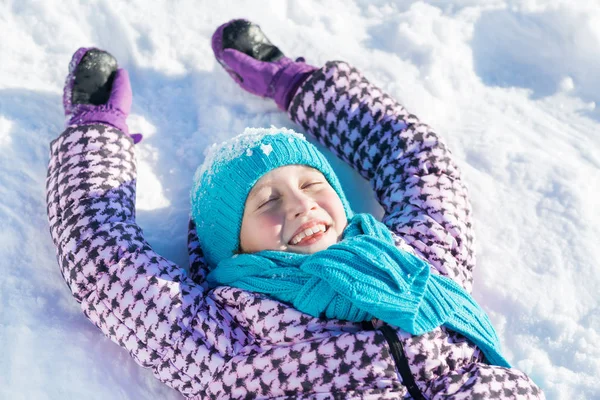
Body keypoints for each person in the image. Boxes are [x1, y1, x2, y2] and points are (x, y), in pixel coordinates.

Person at [46, 19, 545, 399]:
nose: (302, 205)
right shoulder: (227, 334)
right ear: (234, 248)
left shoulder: (416, 264)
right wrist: (96, 131)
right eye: (268, 201)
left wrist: (300, 84)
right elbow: (102, 259)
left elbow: (416, 158)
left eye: (311, 183)